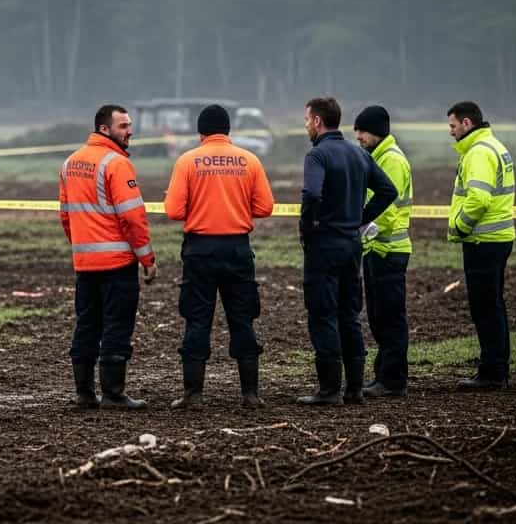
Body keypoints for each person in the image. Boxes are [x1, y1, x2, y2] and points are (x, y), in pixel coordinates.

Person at [163, 104, 275, 409]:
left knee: (197, 319)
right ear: (228, 130)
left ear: (200, 132)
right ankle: (250, 394)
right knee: (243, 319)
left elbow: (173, 211)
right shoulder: (249, 160)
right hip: (237, 249)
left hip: (200, 251)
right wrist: (236, 207)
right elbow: (265, 207)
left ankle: (193, 395)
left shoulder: (187, 161)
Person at [296, 97, 397, 406]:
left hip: (324, 244)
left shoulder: (317, 155)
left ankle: (329, 390)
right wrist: (360, 218)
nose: (305, 125)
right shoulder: (359, 154)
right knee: (349, 315)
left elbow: (312, 193)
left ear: (317, 121)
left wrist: (307, 228)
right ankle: (354, 388)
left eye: (307, 119)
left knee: (323, 314)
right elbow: (388, 191)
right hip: (352, 245)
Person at [59, 104, 156, 410]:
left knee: (86, 326)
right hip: (117, 264)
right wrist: (146, 258)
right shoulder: (117, 163)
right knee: (116, 327)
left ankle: (85, 393)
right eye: (123, 126)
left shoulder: (70, 163)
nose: (130, 131)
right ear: (105, 129)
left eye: (129, 125)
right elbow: (133, 217)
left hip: (85, 264)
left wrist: (81, 247)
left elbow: (65, 215)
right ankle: (113, 394)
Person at [446, 101, 516, 390]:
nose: (450, 131)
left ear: (467, 123)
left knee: (485, 308)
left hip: (483, 241)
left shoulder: (478, 152)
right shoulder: (494, 146)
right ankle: (497, 369)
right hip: (497, 239)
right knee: (493, 305)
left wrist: (460, 226)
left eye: (453, 125)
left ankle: (492, 373)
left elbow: (478, 198)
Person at [353, 105, 413, 398]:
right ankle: (384, 375)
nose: (358, 137)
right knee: (379, 317)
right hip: (377, 248)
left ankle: (393, 380)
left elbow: (386, 209)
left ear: (376, 131)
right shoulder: (378, 157)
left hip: (388, 249)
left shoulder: (392, 160)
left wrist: (361, 228)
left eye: (362, 132)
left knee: (390, 318)